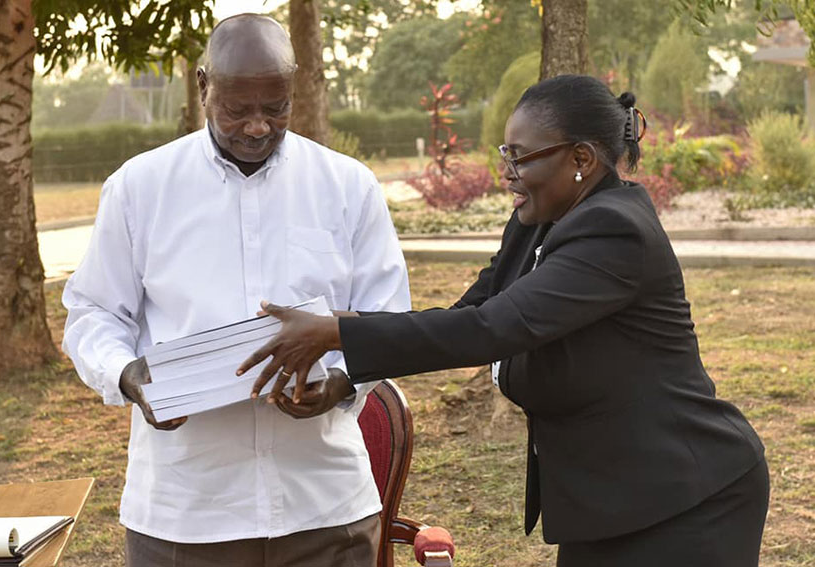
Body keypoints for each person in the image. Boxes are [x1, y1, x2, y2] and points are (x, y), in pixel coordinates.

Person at [239, 75, 770, 567]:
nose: (507, 173)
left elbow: (494, 328)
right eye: (505, 154)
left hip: (689, 498)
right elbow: (468, 313)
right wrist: (343, 375)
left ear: (581, 158)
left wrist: (335, 330)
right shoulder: (536, 221)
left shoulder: (615, 231)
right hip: (613, 500)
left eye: (520, 158)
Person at [62, 13, 410, 567]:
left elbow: (391, 319)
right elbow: (94, 314)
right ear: (203, 86)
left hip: (325, 507)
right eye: (237, 109)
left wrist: (343, 383)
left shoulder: (347, 187)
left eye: (276, 108)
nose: (257, 127)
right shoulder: (139, 188)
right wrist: (130, 378)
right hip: (187, 511)